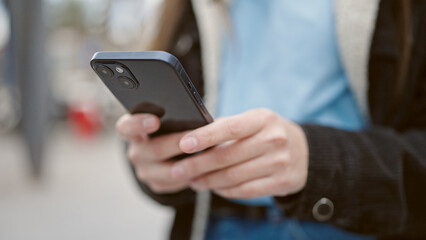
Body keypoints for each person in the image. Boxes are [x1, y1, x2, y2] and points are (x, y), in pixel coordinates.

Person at [116, 0, 426, 239]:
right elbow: (155, 119)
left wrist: (317, 161)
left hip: (347, 224)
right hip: (211, 224)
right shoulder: (186, 7)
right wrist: (157, 164)